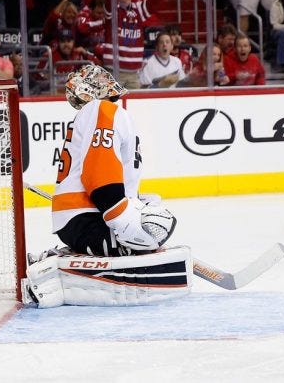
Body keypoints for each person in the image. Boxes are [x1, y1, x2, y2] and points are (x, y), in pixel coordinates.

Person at [23, 65, 183, 309]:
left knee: (152, 210)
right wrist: (123, 220)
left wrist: (136, 203)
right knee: (158, 226)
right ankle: (57, 268)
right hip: (90, 219)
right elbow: (99, 173)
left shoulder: (99, 113)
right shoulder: (102, 109)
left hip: (82, 219)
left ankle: (66, 253)